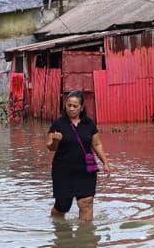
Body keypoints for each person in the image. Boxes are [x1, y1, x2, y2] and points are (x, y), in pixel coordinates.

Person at [46, 91, 110, 220]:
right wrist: (56, 140)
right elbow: (50, 147)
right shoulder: (58, 124)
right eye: (68, 105)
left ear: (81, 108)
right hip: (63, 170)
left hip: (86, 169)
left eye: (75, 106)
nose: (71, 108)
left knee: (85, 203)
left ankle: (85, 237)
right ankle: (57, 223)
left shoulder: (89, 124)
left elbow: (96, 144)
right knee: (63, 205)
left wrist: (105, 161)